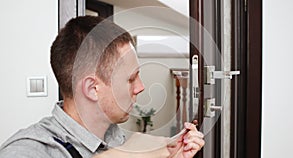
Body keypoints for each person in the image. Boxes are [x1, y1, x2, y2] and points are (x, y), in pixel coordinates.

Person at [0, 16, 204, 158]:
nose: (141, 87)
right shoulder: (28, 150)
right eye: (131, 79)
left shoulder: (120, 139)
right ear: (92, 88)